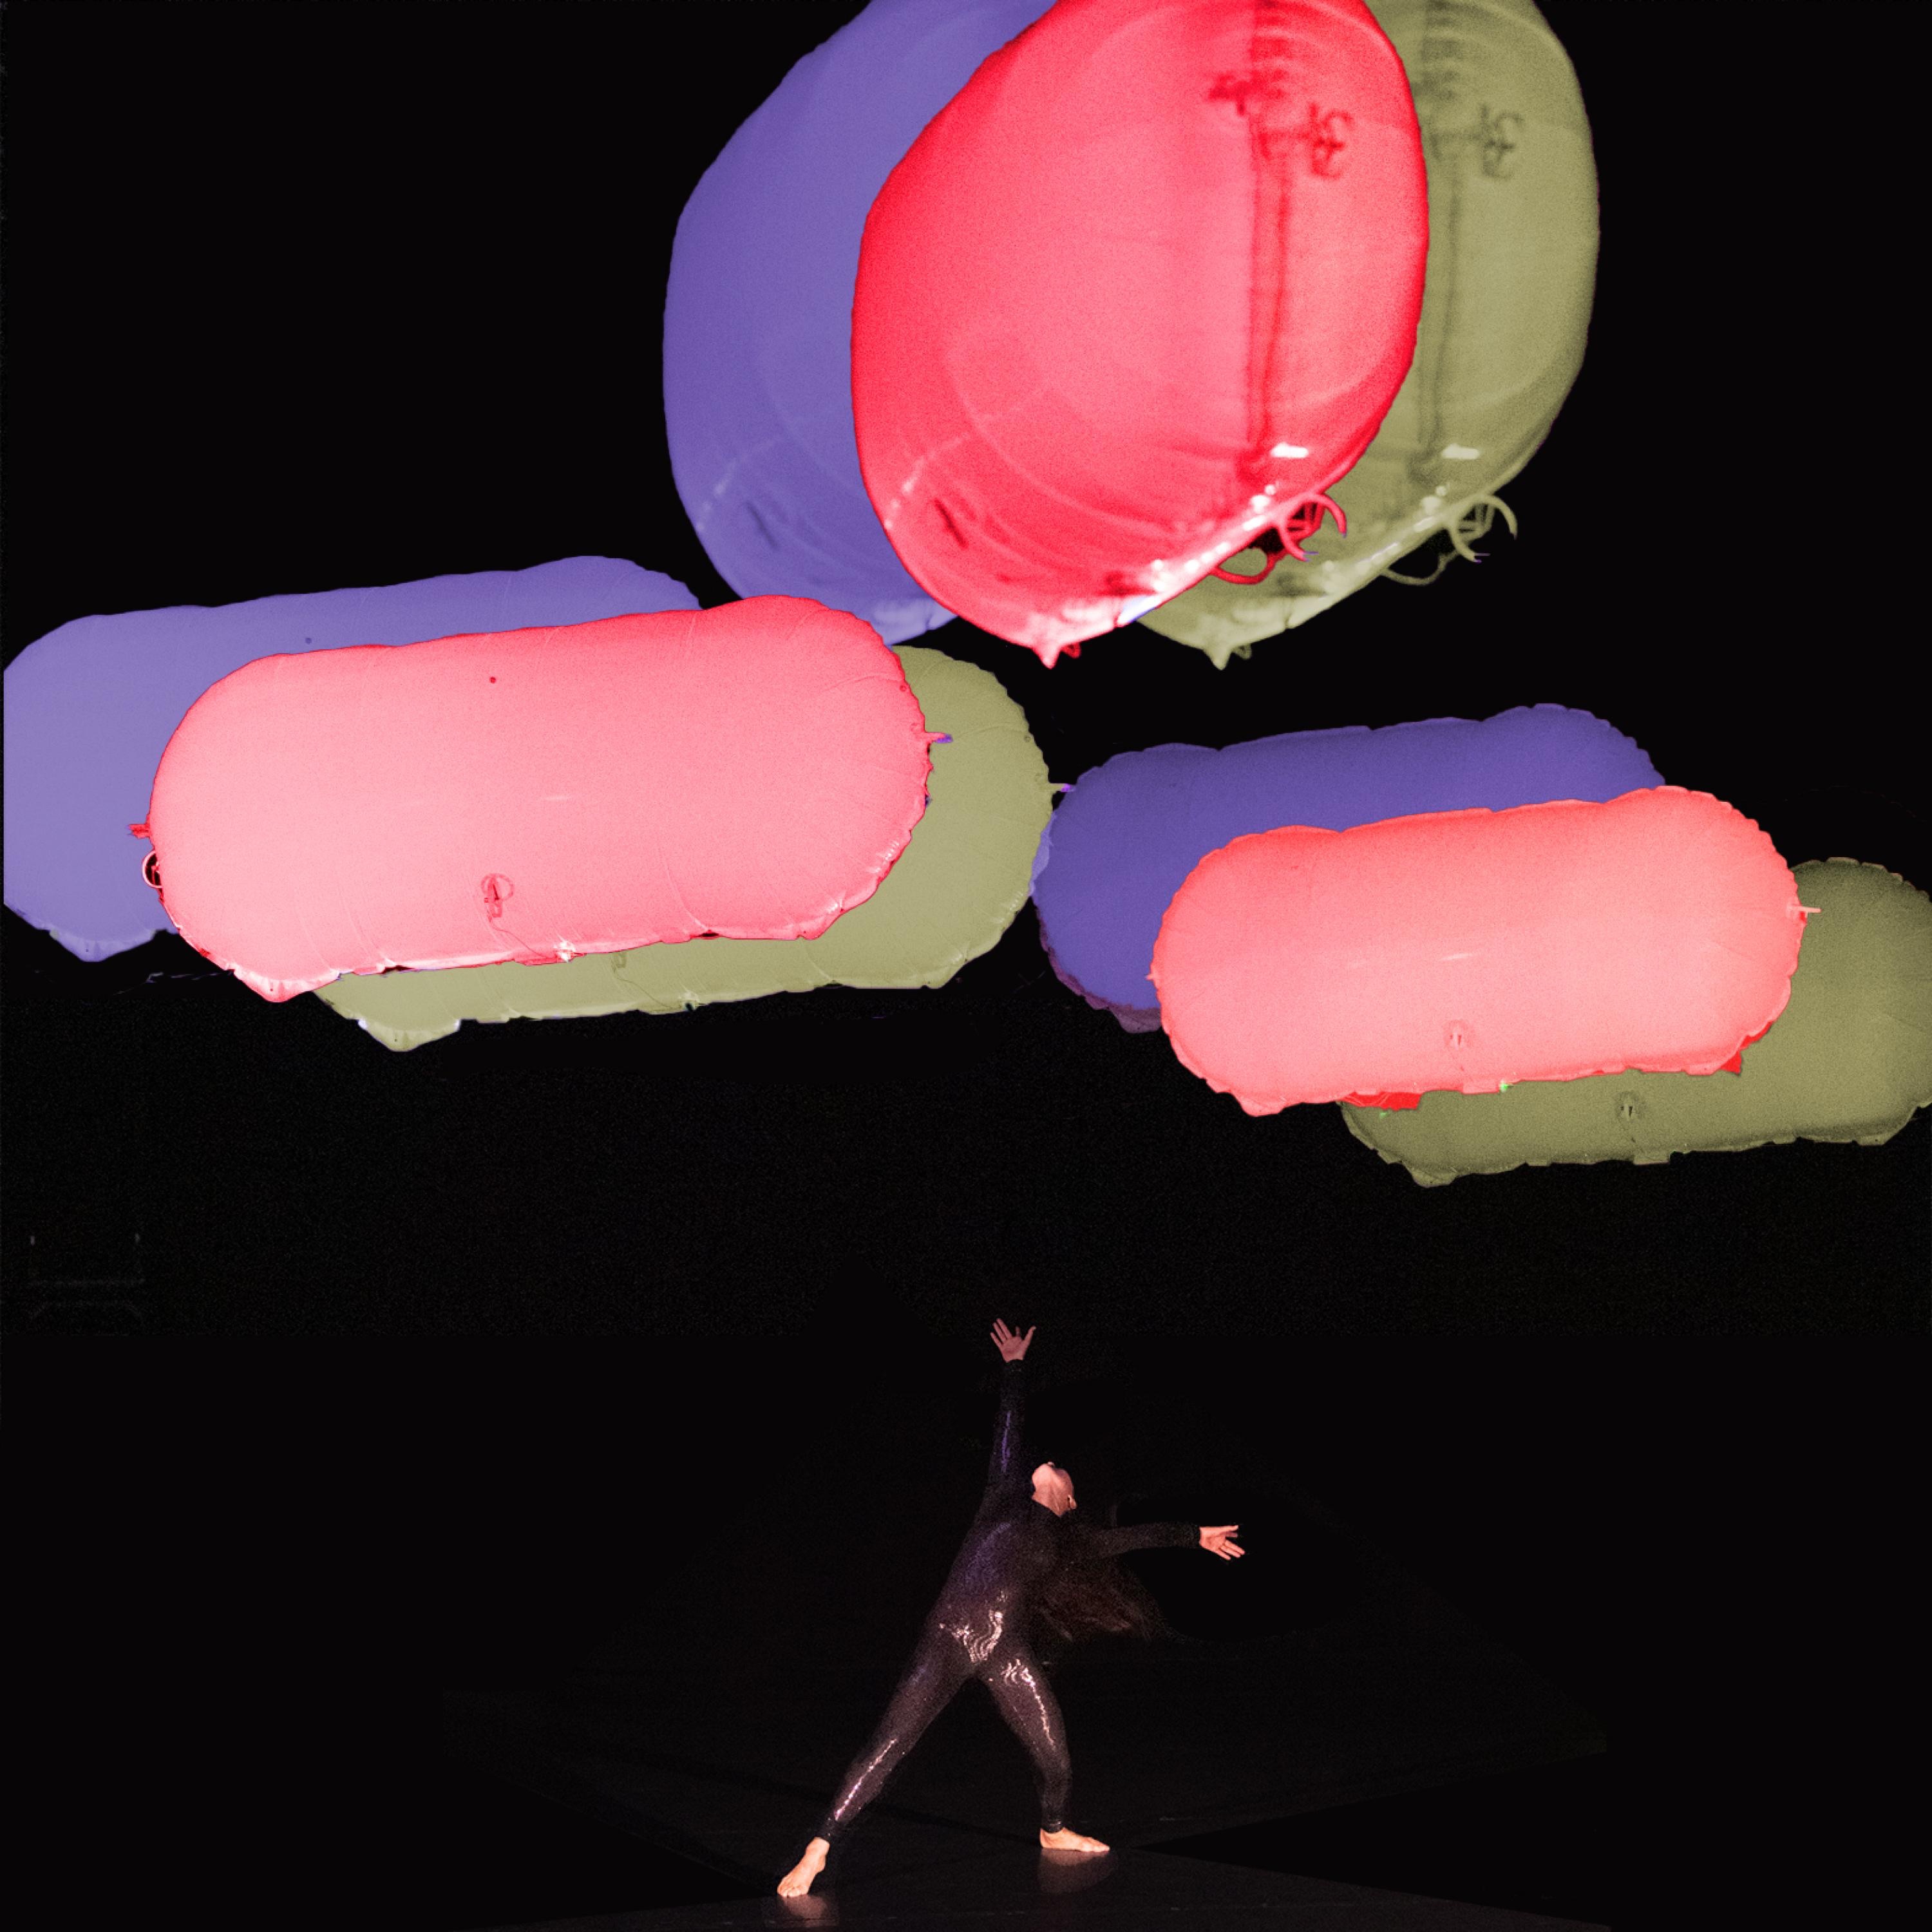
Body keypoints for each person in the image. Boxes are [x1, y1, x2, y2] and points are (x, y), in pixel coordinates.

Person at [777, 1320, 1244, 1897]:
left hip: (1004, 1651)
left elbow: (1135, 1537)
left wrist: (1193, 1534)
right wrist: (1015, 1368)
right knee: (887, 1747)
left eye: (1063, 1469)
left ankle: (1053, 1829)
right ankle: (818, 1849)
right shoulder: (1001, 1494)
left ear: (1069, 1497)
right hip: (947, 1638)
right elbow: (1008, 1428)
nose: (1049, 1461)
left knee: (1056, 1757)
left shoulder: (1071, 1538)